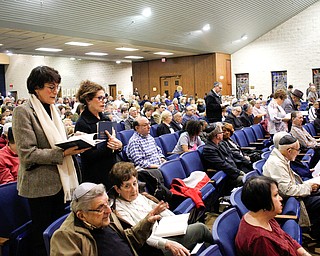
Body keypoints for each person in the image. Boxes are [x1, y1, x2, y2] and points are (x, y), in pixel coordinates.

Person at [12, 66, 84, 255]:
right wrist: (64, 153)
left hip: (60, 181)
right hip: (40, 185)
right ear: (36, 87)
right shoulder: (23, 111)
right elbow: (28, 153)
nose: (55, 92)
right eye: (50, 87)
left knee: (59, 232)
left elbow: (56, 141)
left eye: (57, 87)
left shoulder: (52, 110)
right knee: (42, 234)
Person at [109, 162, 214, 256]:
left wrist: (179, 223)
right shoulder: (119, 211)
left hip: (164, 232)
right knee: (201, 229)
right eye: (127, 186)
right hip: (155, 247)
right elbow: (141, 238)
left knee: (194, 230)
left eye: (135, 183)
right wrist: (168, 244)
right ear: (117, 189)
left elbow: (161, 210)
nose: (134, 189)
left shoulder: (140, 196)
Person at [51, 182, 163, 256]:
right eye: (100, 207)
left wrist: (147, 222)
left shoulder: (104, 216)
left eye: (107, 202)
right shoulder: (65, 237)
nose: (109, 211)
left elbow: (128, 239)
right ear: (81, 215)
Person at [235, 176, 311, 256]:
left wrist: (304, 253)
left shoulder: (264, 216)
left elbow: (286, 238)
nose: (281, 198)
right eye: (275, 195)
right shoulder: (261, 240)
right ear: (263, 201)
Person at [263, 134, 320, 239]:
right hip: (287, 201)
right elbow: (287, 190)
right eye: (297, 150)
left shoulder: (282, 159)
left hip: (293, 196)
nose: (298, 153)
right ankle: (316, 232)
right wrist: (309, 187)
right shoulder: (276, 164)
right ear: (289, 150)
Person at [75, 80, 123, 190]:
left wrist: (118, 146)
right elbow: (87, 155)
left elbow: (115, 144)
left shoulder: (105, 118)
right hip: (95, 174)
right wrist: (108, 145)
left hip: (111, 169)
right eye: (100, 98)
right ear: (88, 100)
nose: (103, 101)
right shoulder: (82, 123)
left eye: (104, 98)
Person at [202, 123, 244, 192]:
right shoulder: (209, 149)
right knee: (249, 181)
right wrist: (238, 172)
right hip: (228, 176)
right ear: (217, 136)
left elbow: (231, 154)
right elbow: (222, 165)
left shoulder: (221, 143)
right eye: (221, 132)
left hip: (234, 170)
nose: (223, 134)